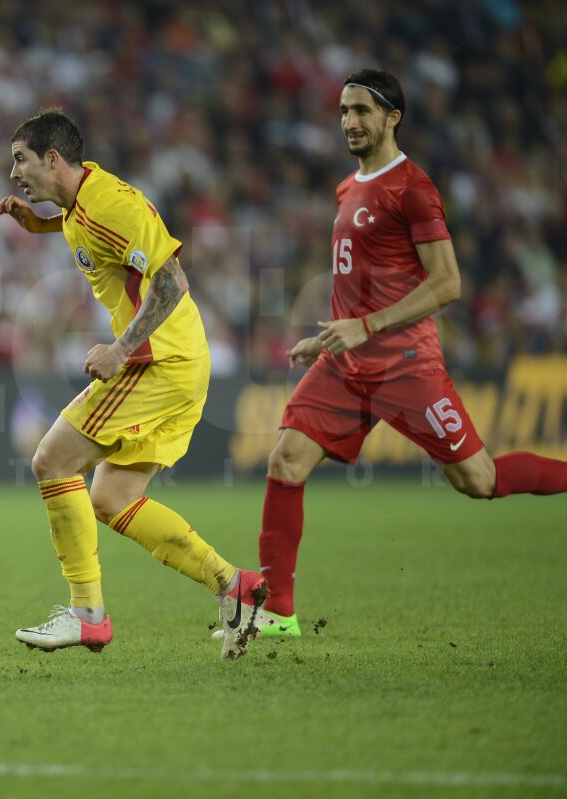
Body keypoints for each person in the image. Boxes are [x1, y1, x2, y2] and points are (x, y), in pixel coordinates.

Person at [240, 69, 567, 640]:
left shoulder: (413, 187)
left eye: (362, 111)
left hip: (406, 367)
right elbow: (360, 282)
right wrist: (328, 337)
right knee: (285, 462)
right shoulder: (348, 188)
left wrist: (367, 326)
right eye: (343, 110)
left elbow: (447, 284)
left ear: (393, 117)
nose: (349, 121)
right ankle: (278, 610)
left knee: (478, 480)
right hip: (345, 364)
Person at [0, 109, 267, 660]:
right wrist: (40, 224)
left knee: (51, 462)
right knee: (112, 496)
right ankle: (235, 587)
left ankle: (86, 615)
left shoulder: (111, 205)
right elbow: (94, 238)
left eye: (20, 159)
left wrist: (120, 349)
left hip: (157, 361)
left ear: (53, 159)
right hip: (176, 362)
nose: (13, 172)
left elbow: (171, 283)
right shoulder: (78, 203)